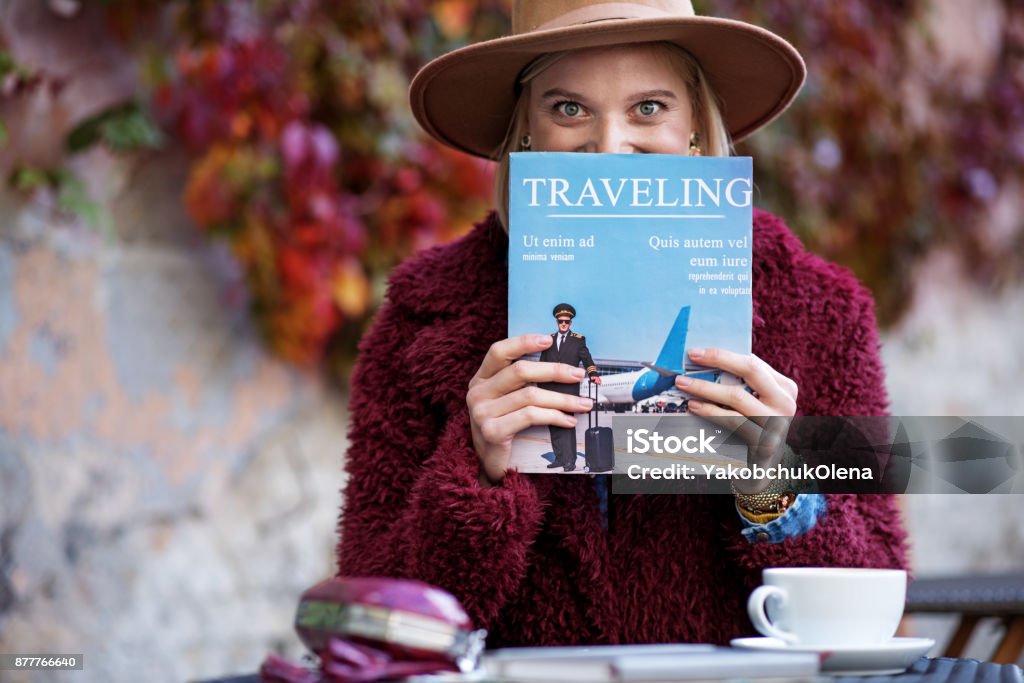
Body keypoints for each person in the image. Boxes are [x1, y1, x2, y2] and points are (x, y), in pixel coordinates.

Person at [337, 0, 906, 648]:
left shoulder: (819, 311)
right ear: (526, 132)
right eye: (569, 108)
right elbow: (365, 625)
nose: (610, 147)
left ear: (695, 127)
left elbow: (873, 603)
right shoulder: (421, 316)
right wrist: (476, 473)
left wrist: (774, 484)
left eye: (648, 108)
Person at [538, 303, 601, 472]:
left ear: (571, 322)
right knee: (553, 423)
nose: (563, 324)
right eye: (560, 321)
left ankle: (570, 461)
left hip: (568, 389)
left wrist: (593, 373)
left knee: (566, 424)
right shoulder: (549, 340)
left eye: (566, 321)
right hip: (550, 388)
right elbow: (542, 364)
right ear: (557, 322)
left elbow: (586, 358)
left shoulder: (578, 340)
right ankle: (559, 458)